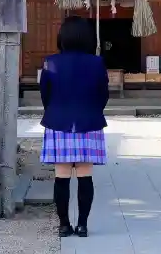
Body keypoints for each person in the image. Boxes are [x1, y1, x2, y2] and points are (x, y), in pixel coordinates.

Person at [39, 15, 109, 237]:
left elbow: (45, 94)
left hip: (58, 122)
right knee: (85, 175)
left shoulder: (50, 62)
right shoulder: (97, 63)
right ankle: (83, 225)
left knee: (61, 176)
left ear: (62, 37)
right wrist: (92, 110)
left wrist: (55, 111)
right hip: (89, 121)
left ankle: (63, 225)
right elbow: (103, 95)